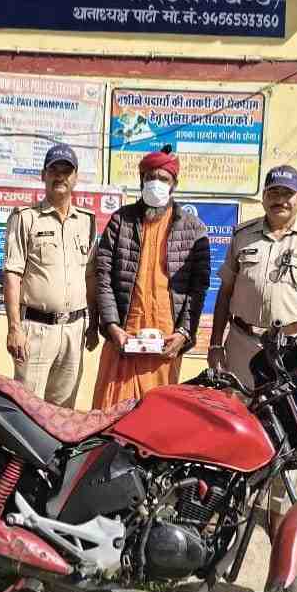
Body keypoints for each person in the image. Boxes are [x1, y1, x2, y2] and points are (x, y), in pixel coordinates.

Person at [207, 164, 297, 537]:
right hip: (242, 346)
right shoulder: (243, 235)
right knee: (236, 428)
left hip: (292, 354)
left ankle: (279, 516)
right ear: (264, 196)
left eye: (287, 193)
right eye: (274, 192)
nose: (280, 199)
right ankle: (228, 507)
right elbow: (225, 294)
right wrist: (215, 343)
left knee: (290, 435)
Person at [93, 146, 210, 409]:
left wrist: (184, 334)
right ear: (141, 180)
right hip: (123, 338)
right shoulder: (120, 221)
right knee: (111, 414)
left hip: (165, 343)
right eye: (150, 177)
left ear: (174, 184)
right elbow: (103, 277)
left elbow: (198, 288)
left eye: (163, 179)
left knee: (157, 415)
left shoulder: (193, 228)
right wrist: (112, 326)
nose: (156, 183)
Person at [4, 143, 99, 406]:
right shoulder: (26, 218)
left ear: (76, 177)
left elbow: (90, 276)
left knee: (63, 412)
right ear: (43, 175)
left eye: (66, 171)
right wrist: (14, 328)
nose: (60, 176)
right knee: (28, 408)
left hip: (74, 330)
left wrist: (93, 324)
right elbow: (12, 276)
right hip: (36, 331)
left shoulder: (87, 221)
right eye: (54, 170)